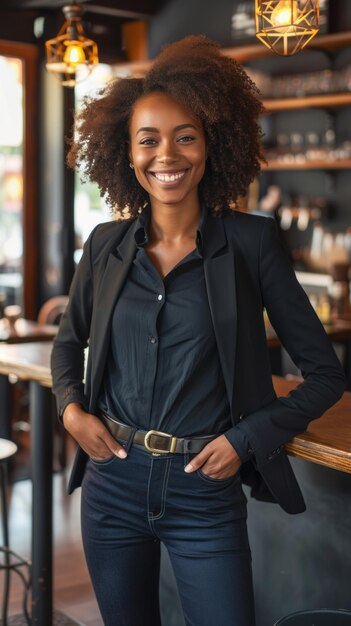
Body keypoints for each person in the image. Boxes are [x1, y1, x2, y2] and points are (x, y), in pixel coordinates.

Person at [51, 35, 346, 626]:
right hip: (113, 482)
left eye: (186, 136)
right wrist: (70, 411)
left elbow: (325, 374)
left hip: (203, 493)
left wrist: (245, 439)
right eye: (149, 139)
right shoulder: (105, 245)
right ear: (126, 152)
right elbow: (68, 342)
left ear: (213, 146)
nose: (168, 154)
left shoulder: (252, 243)